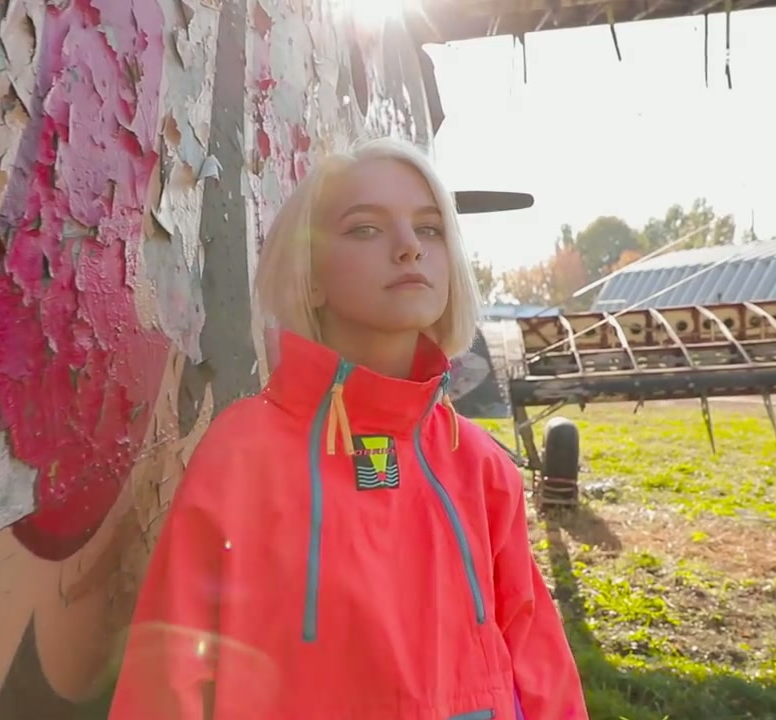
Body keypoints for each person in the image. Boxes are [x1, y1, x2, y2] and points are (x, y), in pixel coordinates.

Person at [107, 137, 587, 720]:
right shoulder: (243, 454)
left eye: (430, 228)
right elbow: (168, 672)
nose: (409, 247)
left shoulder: (481, 463)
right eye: (365, 229)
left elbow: (536, 652)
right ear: (310, 276)